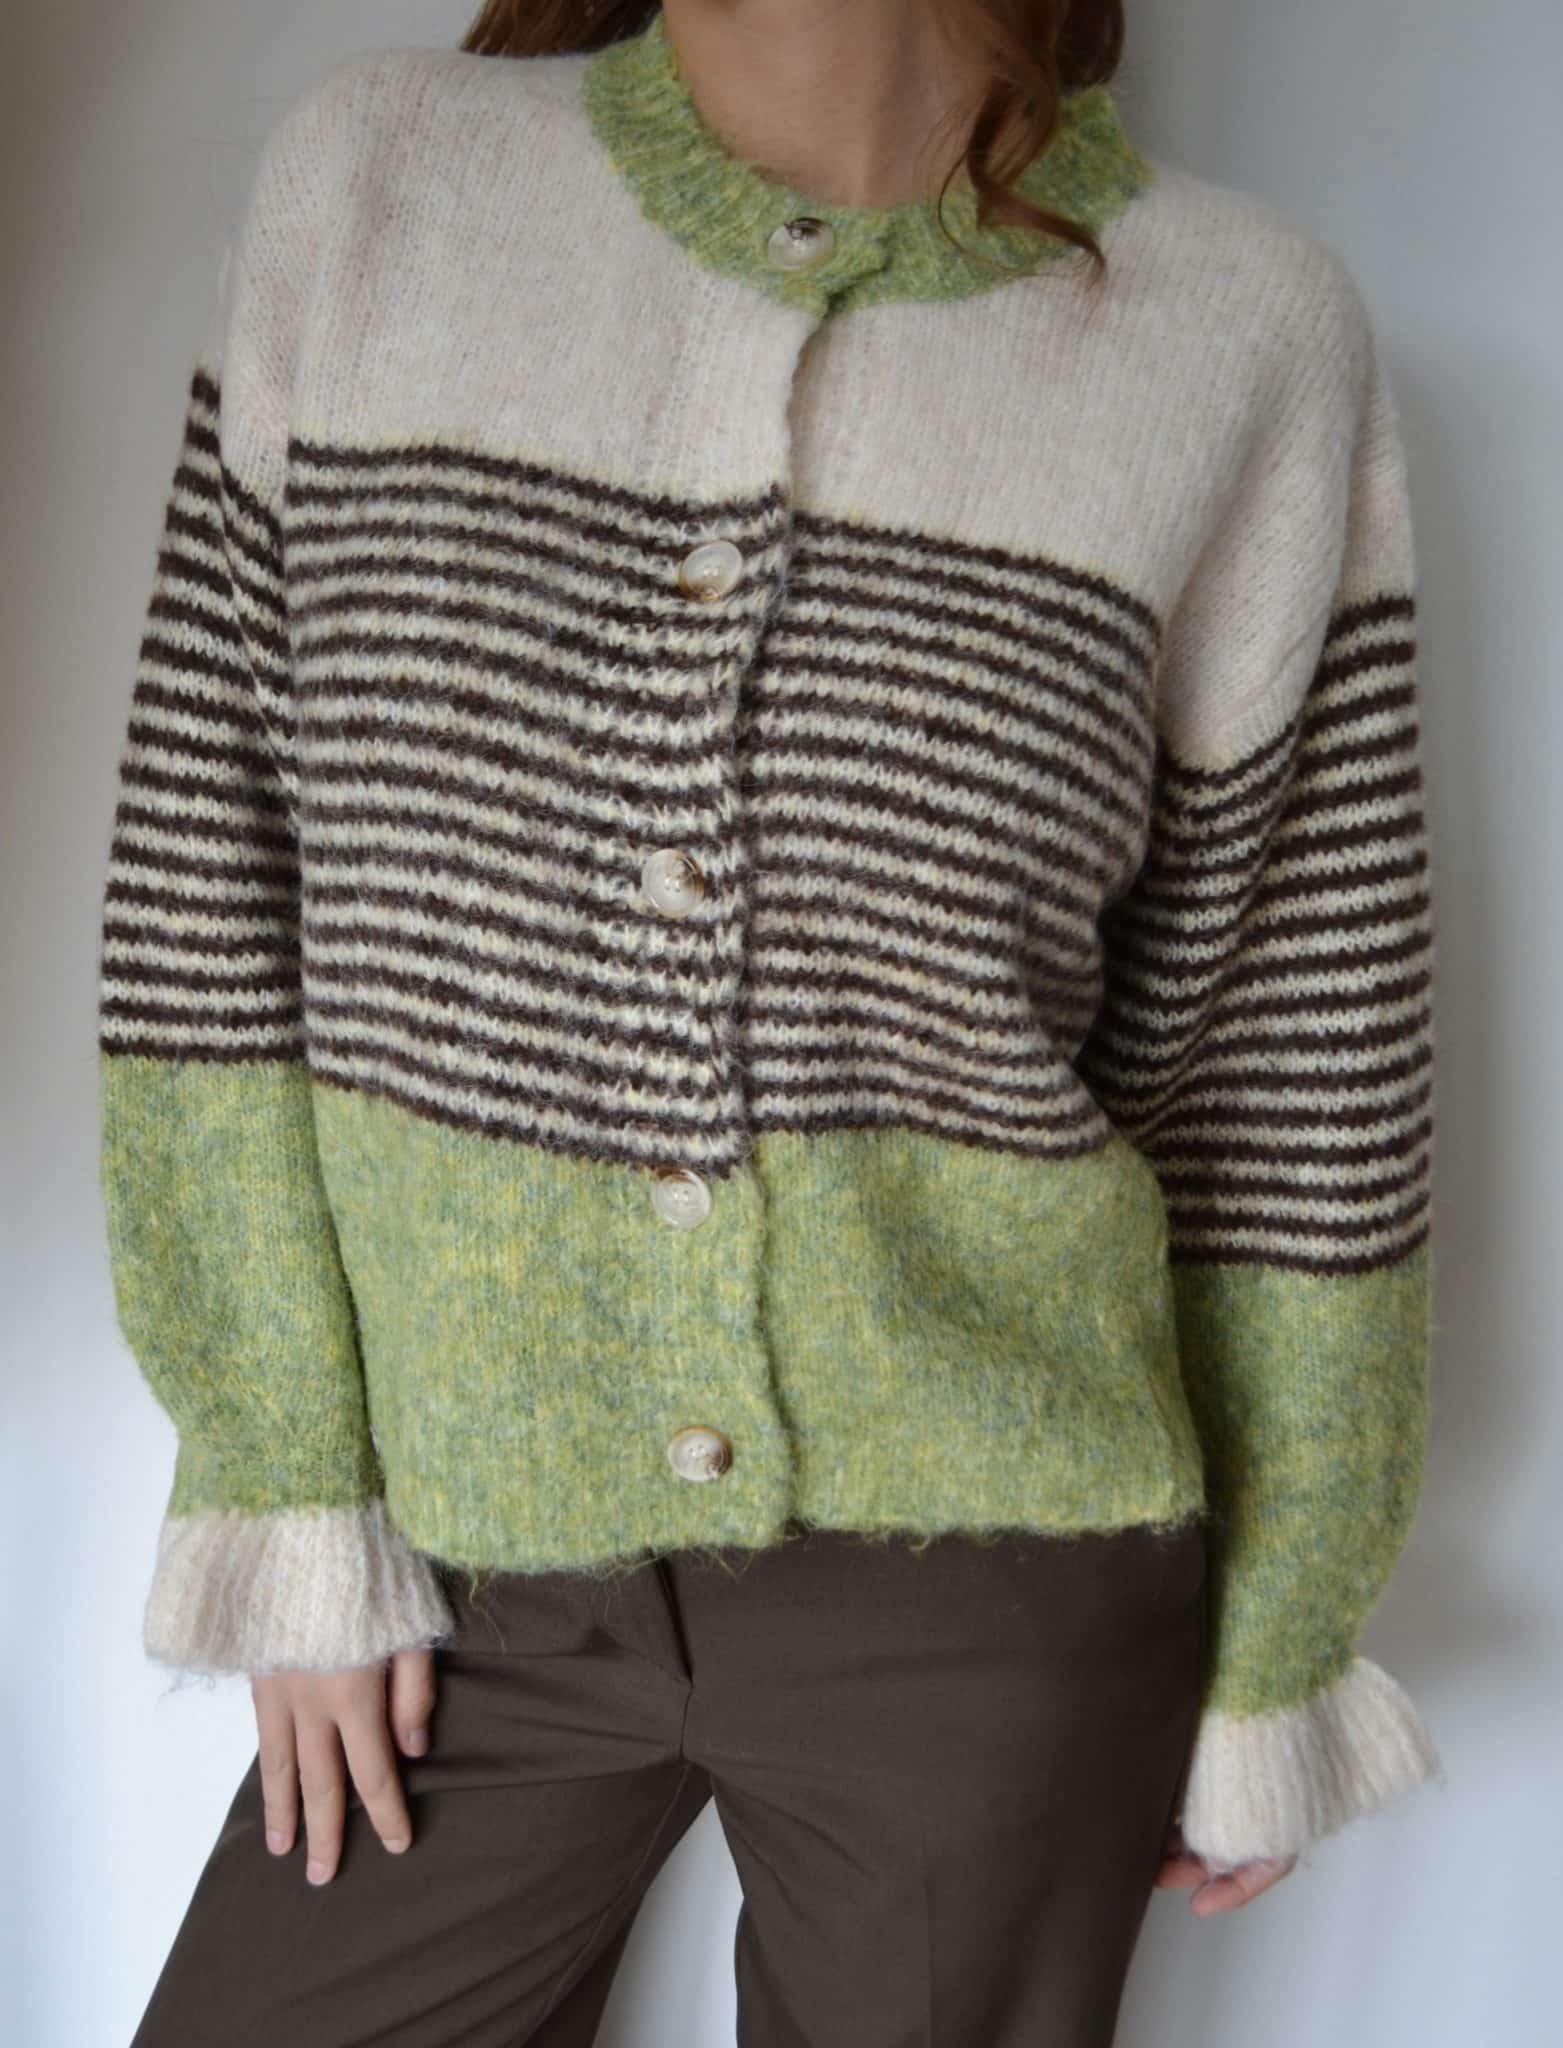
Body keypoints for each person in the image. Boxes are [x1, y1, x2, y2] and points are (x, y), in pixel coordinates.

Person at [96, 1, 1443, 2041]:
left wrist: (1278, 1638)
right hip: (458, 1554)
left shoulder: (1242, 333)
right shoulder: (382, 188)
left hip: (995, 1571)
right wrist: (288, 1488)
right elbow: (207, 897)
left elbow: (1291, 1063)